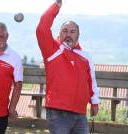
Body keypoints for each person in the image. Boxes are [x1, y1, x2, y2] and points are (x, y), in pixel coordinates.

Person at [36, 0, 100, 134]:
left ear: (78, 35)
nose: (68, 34)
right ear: (59, 34)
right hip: (58, 113)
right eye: (65, 31)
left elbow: (91, 81)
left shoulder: (85, 56)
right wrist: (56, 5)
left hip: (80, 113)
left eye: (72, 31)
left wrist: (94, 102)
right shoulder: (52, 50)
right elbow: (42, 28)